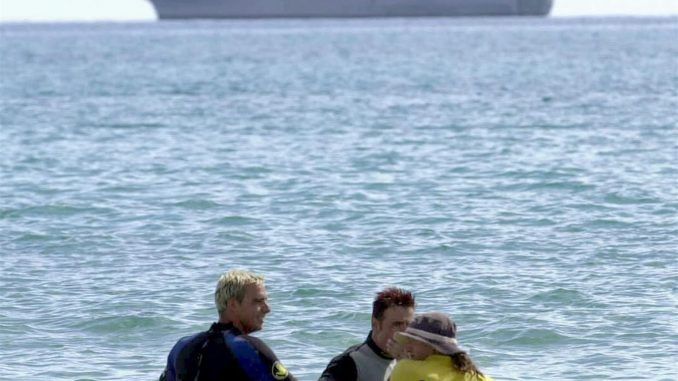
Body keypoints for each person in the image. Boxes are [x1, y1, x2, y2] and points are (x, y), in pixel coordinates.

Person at [160, 269, 296, 381]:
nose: (267, 309)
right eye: (258, 301)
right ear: (233, 305)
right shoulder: (247, 348)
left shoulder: (182, 345)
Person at [319, 287, 415, 381]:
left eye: (409, 325)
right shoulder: (349, 363)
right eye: (397, 324)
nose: (405, 332)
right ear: (375, 324)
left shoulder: (415, 359)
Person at [388, 312, 493, 381]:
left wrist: (402, 360)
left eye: (413, 341)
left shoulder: (405, 368)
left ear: (434, 346)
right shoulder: (478, 377)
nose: (407, 348)